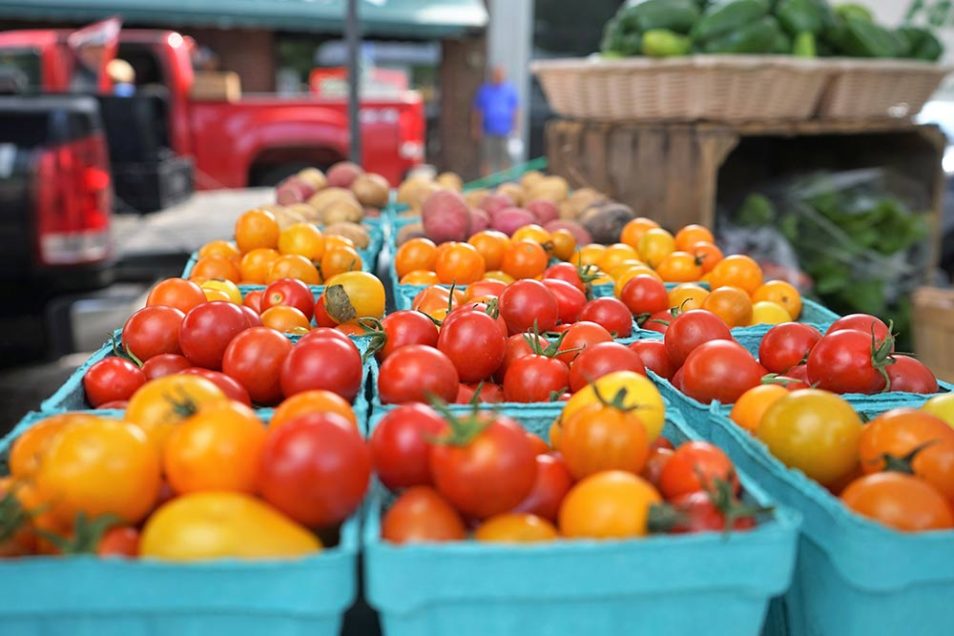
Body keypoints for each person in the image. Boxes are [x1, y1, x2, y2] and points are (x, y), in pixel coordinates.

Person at [472, 65, 519, 176]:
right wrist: (476, 128)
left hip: (505, 130)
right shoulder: (484, 91)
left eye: (500, 74)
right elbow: (477, 111)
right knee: (487, 159)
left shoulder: (510, 90)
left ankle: (505, 184)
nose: (498, 76)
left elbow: (515, 110)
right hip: (488, 130)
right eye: (496, 74)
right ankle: (487, 185)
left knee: (505, 159)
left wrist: (515, 128)